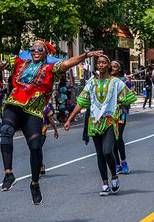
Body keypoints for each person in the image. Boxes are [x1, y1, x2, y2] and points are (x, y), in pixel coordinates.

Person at [0, 42, 103, 205]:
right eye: (32, 49)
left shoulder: (50, 69)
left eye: (39, 49)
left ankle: (34, 183)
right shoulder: (19, 63)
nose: (35, 51)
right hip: (14, 105)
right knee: (5, 131)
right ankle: (8, 174)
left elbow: (68, 63)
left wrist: (85, 56)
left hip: (33, 111)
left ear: (45, 52)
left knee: (35, 147)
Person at [64, 55, 137, 196]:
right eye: (99, 63)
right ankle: (105, 184)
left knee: (107, 151)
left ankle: (114, 177)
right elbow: (81, 102)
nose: (101, 65)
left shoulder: (116, 82)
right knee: (99, 154)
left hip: (109, 121)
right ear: (97, 66)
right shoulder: (91, 83)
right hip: (94, 122)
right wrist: (70, 119)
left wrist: (117, 105)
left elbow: (129, 97)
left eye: (104, 62)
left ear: (108, 65)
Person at [111, 60, 130, 174]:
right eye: (111, 66)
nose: (112, 68)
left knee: (118, 137)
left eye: (115, 66)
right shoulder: (105, 80)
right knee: (112, 139)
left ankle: (123, 161)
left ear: (119, 69)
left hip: (120, 112)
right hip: (108, 114)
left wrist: (120, 102)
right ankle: (117, 164)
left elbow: (129, 97)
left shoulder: (123, 81)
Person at [39, 104, 59, 177]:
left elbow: (50, 119)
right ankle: (41, 164)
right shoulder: (30, 105)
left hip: (42, 131)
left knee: (37, 148)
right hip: (32, 131)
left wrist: (55, 130)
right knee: (34, 149)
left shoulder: (46, 107)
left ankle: (40, 167)